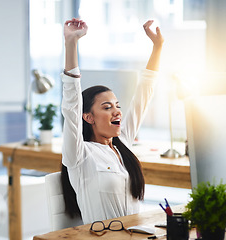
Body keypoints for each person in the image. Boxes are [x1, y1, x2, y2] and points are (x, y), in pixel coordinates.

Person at [61, 18, 164, 224]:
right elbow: (71, 104)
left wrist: (158, 47)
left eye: (117, 105)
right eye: (107, 108)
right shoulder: (80, 155)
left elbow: (144, 93)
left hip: (137, 236)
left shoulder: (122, 144)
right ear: (88, 117)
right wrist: (71, 42)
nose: (117, 112)